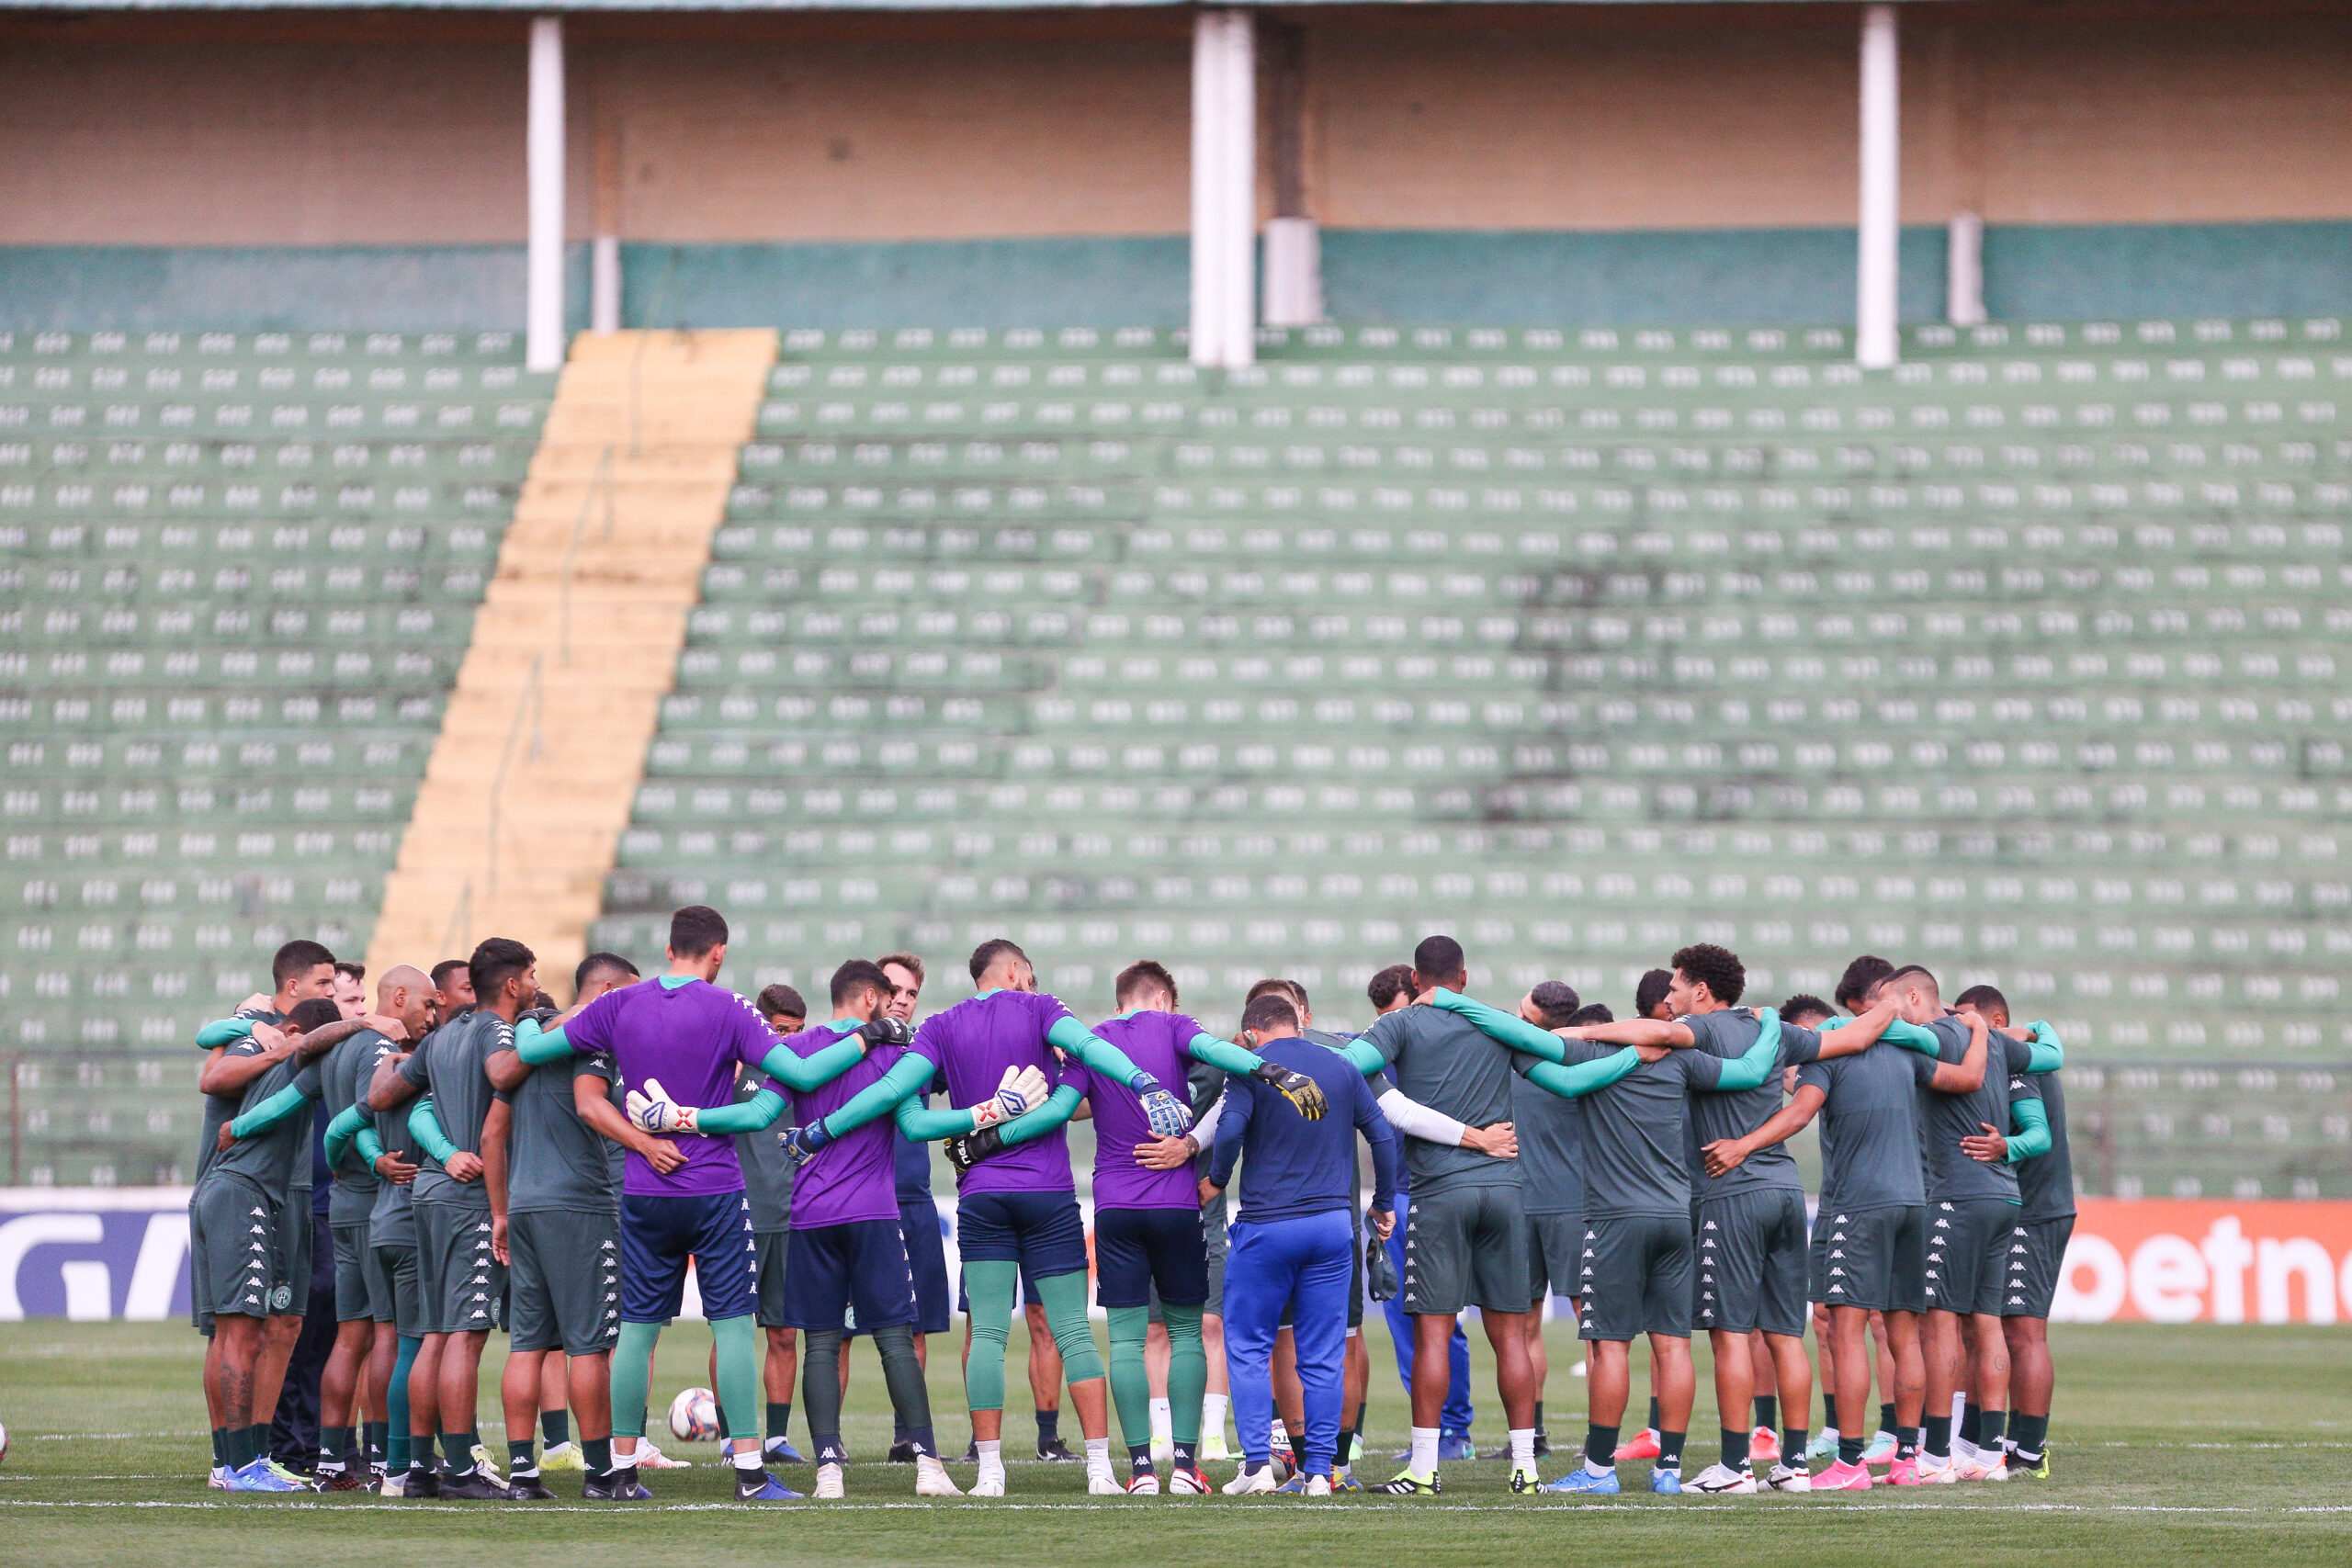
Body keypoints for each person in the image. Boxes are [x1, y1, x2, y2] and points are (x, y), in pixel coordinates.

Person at [777, 937, 1272, 1495]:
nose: (1032, 984)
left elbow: (907, 1115)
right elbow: (1088, 1049)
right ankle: (1102, 1471)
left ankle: (989, 1471)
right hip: (1049, 1194)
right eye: (1029, 975)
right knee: (1072, 1334)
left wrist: (826, 1130)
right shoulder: (1041, 1009)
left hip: (981, 1196)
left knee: (986, 1333)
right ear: (1014, 971)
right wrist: (1145, 1082)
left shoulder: (939, 1026)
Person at [514, 905, 895, 1501]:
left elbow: (534, 1052)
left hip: (642, 1188)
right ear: (717, 952)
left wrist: (529, 1020)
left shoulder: (619, 1004)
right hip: (714, 1186)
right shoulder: (729, 1006)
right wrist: (866, 1035)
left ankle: (619, 1472)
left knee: (637, 1330)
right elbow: (799, 1068)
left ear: (669, 947)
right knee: (735, 1326)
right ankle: (748, 1473)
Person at [1431, 983, 1779, 1495]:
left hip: (1615, 1219)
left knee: (1609, 1346)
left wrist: (1448, 1001)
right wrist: (1769, 1021)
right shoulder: (1681, 1061)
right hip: (1675, 1215)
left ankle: (1598, 1472)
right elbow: (1751, 1071)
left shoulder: (1588, 1054)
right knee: (1673, 1345)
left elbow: (1532, 1050)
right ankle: (1669, 1472)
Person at [1727, 974, 1988, 1490]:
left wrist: (1744, 1144)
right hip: (1914, 1202)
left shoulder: (1829, 1057)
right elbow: (1967, 1080)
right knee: (1902, 1332)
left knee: (1845, 1331)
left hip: (1857, 1204)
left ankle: (1849, 1464)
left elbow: (1802, 1113)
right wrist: (1978, 1031)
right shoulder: (1903, 1054)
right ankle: (1909, 1460)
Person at [768, 960, 962, 1498]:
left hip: (810, 1214)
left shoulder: (800, 1049)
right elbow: (916, 1126)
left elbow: (762, 1112)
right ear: (872, 999)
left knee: (822, 1344)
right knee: (896, 1339)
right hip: (874, 1213)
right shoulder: (890, 1054)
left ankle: (828, 1469)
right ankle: (927, 1464)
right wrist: (985, 1114)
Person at [482, 952, 662, 1499]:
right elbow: (590, 1108)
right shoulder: (591, 1038)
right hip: (577, 1205)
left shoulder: (525, 1047)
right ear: (607, 990)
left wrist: (502, 1212)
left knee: (528, 1346)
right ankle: (602, 1474)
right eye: (628, 993)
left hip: (527, 1204)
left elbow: (493, 1134)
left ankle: (522, 1474)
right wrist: (646, 1144)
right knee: (589, 1346)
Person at [1209, 991, 1401, 1496]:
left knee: (1250, 1345)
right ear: (1297, 1023)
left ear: (1252, 1032)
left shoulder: (1252, 1067)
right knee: (1322, 1353)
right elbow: (1381, 1136)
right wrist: (1382, 1201)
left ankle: (1256, 1466)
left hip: (1269, 1224)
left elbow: (1229, 1128)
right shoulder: (1339, 1065)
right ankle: (1319, 1471)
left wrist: (1216, 1176)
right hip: (1332, 1227)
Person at [1870, 966, 2050, 1483]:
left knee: (1941, 1320)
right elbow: (2050, 1053)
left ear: (1911, 996)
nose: (1888, 1013)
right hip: (2002, 1194)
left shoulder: (1931, 1036)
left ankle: (1936, 1456)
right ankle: (1990, 1455)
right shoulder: (1990, 1040)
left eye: (1890, 1003)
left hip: (1957, 1193)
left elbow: (1876, 1032)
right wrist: (1994, 1028)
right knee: (1986, 1320)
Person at [376, 938, 540, 1498]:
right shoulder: (499, 1032)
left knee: (434, 1335)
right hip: (472, 1197)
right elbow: (501, 1077)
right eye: (533, 977)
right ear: (513, 985)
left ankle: (419, 1468)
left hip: (427, 1194)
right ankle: (462, 1469)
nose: (537, 985)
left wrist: (397, 1059)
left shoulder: (443, 1035)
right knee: (464, 1338)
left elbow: (384, 1095)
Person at [190, 939, 345, 1487]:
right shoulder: (259, 1027)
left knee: (283, 1325)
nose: (335, 990)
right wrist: (255, 1029)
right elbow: (213, 1076)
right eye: (326, 983)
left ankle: (253, 1457)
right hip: (239, 1186)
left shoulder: (289, 1037)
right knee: (237, 1329)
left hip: (288, 1192)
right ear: (294, 986)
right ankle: (230, 1461)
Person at [311, 964, 434, 1489]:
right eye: (425, 1003)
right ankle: (385, 1456)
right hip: (372, 1200)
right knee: (387, 1333)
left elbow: (330, 1116)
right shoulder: (378, 1047)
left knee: (351, 1335)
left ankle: (333, 1462)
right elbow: (366, 1115)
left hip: (344, 1203)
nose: (430, 1015)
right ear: (400, 997)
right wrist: (377, 1157)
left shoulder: (338, 1047)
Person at [1951, 985, 2068, 1481]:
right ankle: (1978, 1440)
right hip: (2005, 1207)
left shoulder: (2020, 1064)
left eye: (1970, 1021)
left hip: (2035, 1211)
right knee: (1980, 1328)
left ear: (1996, 1020)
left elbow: (2037, 1137)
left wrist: (2006, 1148)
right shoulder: (2001, 1060)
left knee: (2023, 1330)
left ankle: (2030, 1449)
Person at [1363, 963, 1476, 1462]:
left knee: (1435, 1320)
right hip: (1403, 1194)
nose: (1395, 1025)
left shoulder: (1446, 1045)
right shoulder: (1383, 1050)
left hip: (1434, 1193)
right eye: (1386, 1018)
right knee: (1409, 1318)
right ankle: (1438, 1432)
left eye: (1401, 1013)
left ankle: (1454, 1431)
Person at [738, 982, 808, 1466]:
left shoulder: (805, 1074)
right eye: (781, 1031)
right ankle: (732, 1438)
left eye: (798, 1032)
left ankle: (777, 1438)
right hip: (740, 1217)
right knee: (734, 1330)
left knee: (784, 1333)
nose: (789, 1041)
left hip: (791, 1218)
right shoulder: (734, 1068)